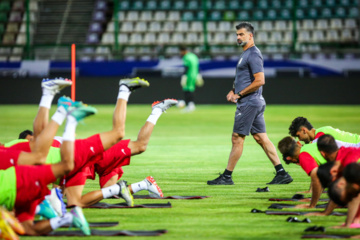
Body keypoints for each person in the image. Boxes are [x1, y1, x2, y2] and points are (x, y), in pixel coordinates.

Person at [207, 22, 292, 185]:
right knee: (261, 138)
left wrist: (239, 94)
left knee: (237, 138)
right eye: (237, 35)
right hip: (254, 102)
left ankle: (226, 177)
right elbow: (244, 78)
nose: (238, 37)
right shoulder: (246, 54)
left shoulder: (253, 54)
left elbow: (260, 80)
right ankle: (282, 173)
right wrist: (233, 90)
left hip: (249, 103)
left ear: (250, 35)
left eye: (241, 34)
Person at [0, 96, 97, 236]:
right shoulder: (17, 148)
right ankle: (64, 216)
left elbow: (39, 148)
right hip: (26, 187)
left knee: (63, 164)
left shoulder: (14, 149)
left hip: (23, 180)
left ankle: (64, 113)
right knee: (29, 229)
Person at [289, 117, 360, 144]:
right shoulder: (323, 130)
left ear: (304, 130)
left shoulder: (321, 134)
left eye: (298, 135)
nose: (299, 139)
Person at [179, 45, 199, 112]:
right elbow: (197, 66)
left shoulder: (186, 57)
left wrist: (184, 75)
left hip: (189, 75)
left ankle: (189, 105)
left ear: (183, 51)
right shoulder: (194, 56)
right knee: (191, 89)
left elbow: (186, 67)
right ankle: (191, 104)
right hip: (195, 75)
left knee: (187, 89)